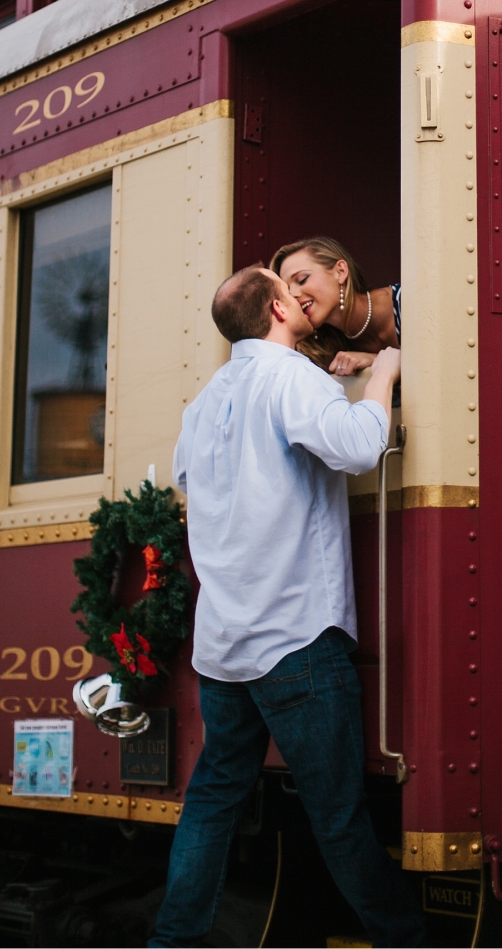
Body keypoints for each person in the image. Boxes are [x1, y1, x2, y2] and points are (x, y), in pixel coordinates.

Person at [148, 265, 425, 949]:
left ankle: (171, 943)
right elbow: (360, 447)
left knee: (213, 800)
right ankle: (409, 942)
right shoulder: (291, 376)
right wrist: (385, 374)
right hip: (295, 636)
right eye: (288, 287)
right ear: (276, 308)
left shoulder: (208, 398)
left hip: (224, 645)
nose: (300, 297)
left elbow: (190, 475)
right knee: (338, 818)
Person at [271, 236, 400, 377]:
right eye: (288, 291)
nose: (294, 295)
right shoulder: (327, 349)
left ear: (340, 271)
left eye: (303, 279)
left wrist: (374, 360)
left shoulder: (407, 302)